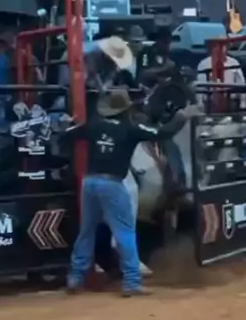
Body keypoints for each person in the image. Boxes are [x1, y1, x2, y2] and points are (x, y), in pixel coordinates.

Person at [63, 87, 196, 297]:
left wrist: (66, 123)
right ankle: (132, 281)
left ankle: (75, 276)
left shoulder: (94, 124)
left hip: (90, 182)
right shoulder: (130, 128)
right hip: (112, 183)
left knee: (87, 231)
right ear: (126, 109)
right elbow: (162, 133)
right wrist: (181, 117)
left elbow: (69, 133)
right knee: (124, 232)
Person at [195, 44, 246, 110]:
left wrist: (243, 103)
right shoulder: (204, 64)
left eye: (223, 46)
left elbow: (241, 83)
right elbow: (200, 85)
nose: (221, 49)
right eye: (218, 47)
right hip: (211, 102)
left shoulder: (234, 63)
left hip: (231, 101)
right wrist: (200, 103)